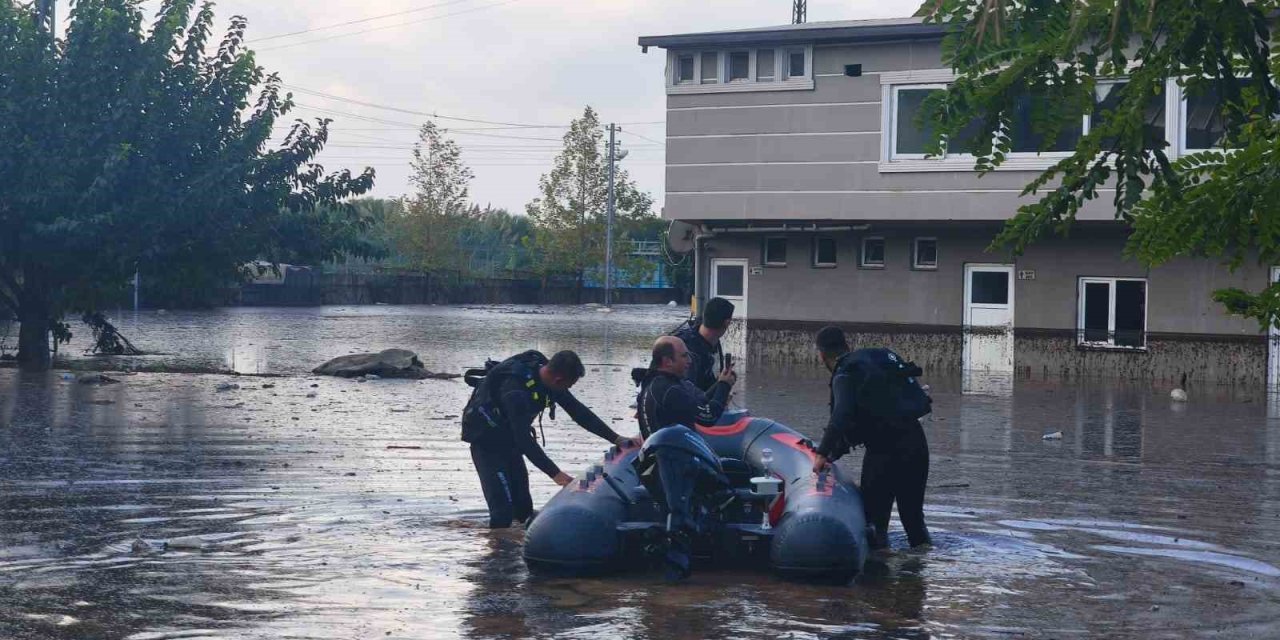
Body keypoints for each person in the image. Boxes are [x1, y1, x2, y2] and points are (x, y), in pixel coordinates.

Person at [461, 349, 638, 529]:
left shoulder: (549, 381)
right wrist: (557, 475)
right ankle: (497, 553)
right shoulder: (515, 392)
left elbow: (578, 412)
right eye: (568, 386)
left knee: (523, 509)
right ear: (559, 379)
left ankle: (515, 550)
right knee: (502, 515)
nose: (567, 391)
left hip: (509, 441)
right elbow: (524, 441)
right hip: (486, 444)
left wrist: (616, 438)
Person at [811, 327, 933, 550]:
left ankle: (877, 579)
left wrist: (822, 453)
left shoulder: (845, 373)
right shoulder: (874, 363)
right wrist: (834, 453)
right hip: (916, 445)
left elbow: (842, 415)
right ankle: (918, 578)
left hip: (883, 453)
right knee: (913, 519)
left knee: (876, 523)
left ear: (821, 355)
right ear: (847, 345)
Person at [636, 336, 736, 437]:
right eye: (684, 356)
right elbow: (708, 417)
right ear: (667, 361)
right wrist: (724, 386)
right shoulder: (669, 390)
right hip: (669, 451)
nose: (689, 361)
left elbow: (700, 401)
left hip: (660, 448)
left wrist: (720, 383)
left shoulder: (655, 381)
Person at [671, 297, 735, 392]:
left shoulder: (710, 341)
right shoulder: (688, 350)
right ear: (727, 323)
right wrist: (723, 386)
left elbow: (706, 384)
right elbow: (691, 396)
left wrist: (721, 382)